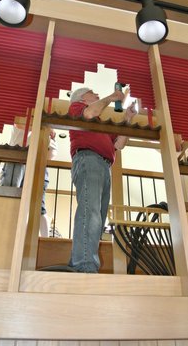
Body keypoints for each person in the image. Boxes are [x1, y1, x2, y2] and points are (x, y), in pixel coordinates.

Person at [68, 87, 137, 273]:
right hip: (88, 159)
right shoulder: (76, 108)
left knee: (98, 218)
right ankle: (84, 266)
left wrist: (128, 118)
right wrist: (113, 97)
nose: (97, 94)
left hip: (104, 166)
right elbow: (90, 112)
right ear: (82, 98)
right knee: (90, 212)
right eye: (92, 92)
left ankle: (84, 262)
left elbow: (119, 144)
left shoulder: (102, 124)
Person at [1, 124, 57, 236]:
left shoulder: (48, 131)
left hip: (36, 164)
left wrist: (49, 136)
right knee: (11, 198)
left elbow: (51, 155)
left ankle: (42, 239)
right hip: (18, 158)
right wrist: (45, 129)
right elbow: (20, 125)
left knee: (38, 206)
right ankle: (8, 231)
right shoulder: (24, 120)